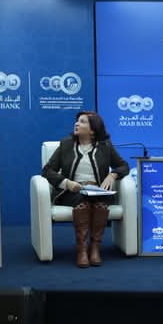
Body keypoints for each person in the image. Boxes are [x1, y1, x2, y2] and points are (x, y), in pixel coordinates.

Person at [42, 111, 129, 268]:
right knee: (83, 203)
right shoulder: (66, 144)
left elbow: (124, 166)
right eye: (77, 121)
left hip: (98, 192)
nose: (76, 123)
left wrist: (113, 175)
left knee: (100, 204)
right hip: (72, 192)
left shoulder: (105, 146)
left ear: (93, 130)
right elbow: (47, 170)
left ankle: (95, 248)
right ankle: (82, 250)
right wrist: (66, 183)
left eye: (82, 122)